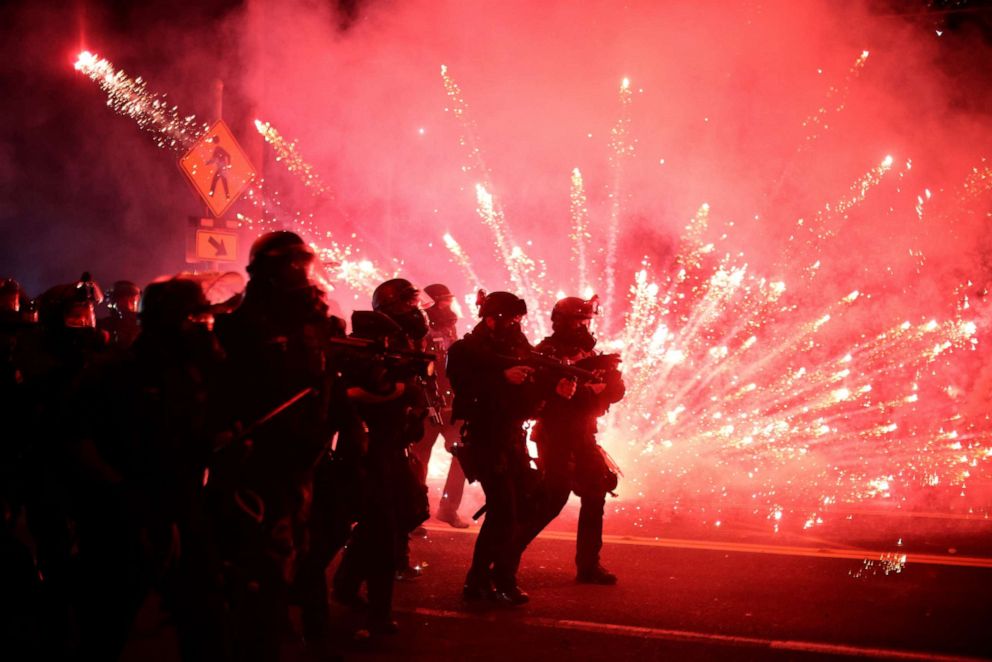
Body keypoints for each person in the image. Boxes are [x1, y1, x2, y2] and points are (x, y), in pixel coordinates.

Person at [213, 231, 344, 661]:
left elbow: (327, 387)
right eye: (291, 268)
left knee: (305, 552)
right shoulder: (240, 325)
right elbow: (225, 394)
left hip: (307, 458)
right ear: (268, 273)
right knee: (263, 563)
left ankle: (312, 638)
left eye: (303, 266)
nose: (302, 277)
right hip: (261, 462)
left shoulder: (317, 323)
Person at [446, 291, 575, 605]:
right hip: (486, 437)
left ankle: (494, 577)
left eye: (519, 318)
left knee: (519, 508)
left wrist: (554, 388)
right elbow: (464, 391)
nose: (516, 323)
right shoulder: (466, 349)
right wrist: (501, 378)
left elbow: (531, 382)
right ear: (490, 319)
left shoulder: (516, 345)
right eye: (510, 318)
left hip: (512, 437)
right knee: (504, 510)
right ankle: (483, 579)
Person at [332, 278, 431, 635]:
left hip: (392, 447)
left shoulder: (399, 344)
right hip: (369, 450)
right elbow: (350, 395)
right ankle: (375, 612)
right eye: (407, 302)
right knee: (381, 530)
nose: (414, 309)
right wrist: (399, 391)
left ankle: (346, 583)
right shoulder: (361, 348)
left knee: (409, 513)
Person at [521, 295, 625, 585]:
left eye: (586, 321)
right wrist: (576, 390)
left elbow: (615, 393)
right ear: (562, 322)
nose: (583, 327)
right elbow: (537, 394)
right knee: (553, 498)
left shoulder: (591, 354)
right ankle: (505, 555)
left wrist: (607, 384)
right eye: (578, 321)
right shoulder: (546, 353)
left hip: (583, 433)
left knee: (596, 493)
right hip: (555, 433)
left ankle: (589, 565)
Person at [409, 282, 470, 528]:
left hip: (450, 403)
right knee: (418, 458)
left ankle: (447, 508)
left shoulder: (450, 328)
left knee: (463, 453)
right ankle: (414, 513)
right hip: (425, 403)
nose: (448, 306)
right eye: (443, 301)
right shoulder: (418, 332)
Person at [98, 280, 141, 349]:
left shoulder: (143, 323)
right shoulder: (105, 323)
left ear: (131, 299)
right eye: (110, 300)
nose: (109, 305)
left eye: (114, 300)